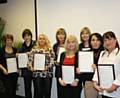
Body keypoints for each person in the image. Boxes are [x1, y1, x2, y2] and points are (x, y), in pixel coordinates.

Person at [93, 31, 120, 98]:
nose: (107, 42)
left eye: (110, 39)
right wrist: (95, 83)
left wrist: (114, 86)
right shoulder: (102, 54)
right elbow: (98, 69)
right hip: (103, 91)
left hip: (116, 91)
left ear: (115, 40)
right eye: (105, 40)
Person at [28, 33, 55, 98]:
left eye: (43, 39)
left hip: (47, 73)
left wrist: (48, 67)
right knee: (38, 92)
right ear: (38, 40)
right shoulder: (33, 49)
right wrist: (31, 67)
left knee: (47, 92)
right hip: (36, 74)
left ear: (46, 40)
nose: (42, 40)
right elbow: (29, 61)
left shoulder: (50, 49)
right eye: (40, 39)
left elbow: (53, 61)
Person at [83, 33, 104, 98]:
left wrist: (97, 68)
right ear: (90, 42)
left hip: (103, 82)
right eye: (93, 40)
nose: (95, 42)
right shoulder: (85, 54)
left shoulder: (105, 53)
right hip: (89, 82)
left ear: (101, 42)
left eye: (97, 40)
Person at [0, 34, 18, 98]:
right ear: (5, 41)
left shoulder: (15, 49)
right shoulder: (1, 50)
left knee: (13, 90)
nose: (9, 41)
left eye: (10, 40)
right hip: (5, 73)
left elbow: (17, 61)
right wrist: (3, 69)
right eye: (7, 40)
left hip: (14, 73)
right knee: (8, 90)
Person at [19, 29, 36, 98]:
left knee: (37, 87)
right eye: (25, 36)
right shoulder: (22, 45)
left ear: (31, 36)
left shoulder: (35, 44)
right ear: (23, 37)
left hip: (34, 69)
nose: (27, 37)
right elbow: (20, 57)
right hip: (26, 70)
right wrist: (18, 55)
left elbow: (39, 54)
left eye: (28, 35)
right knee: (27, 87)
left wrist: (31, 53)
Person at [53, 28, 67, 98]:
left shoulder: (68, 45)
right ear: (57, 36)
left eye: (62, 34)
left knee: (66, 91)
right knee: (59, 91)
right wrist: (55, 62)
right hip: (58, 71)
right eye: (59, 34)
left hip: (67, 70)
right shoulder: (55, 46)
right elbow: (53, 58)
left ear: (65, 35)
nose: (60, 36)